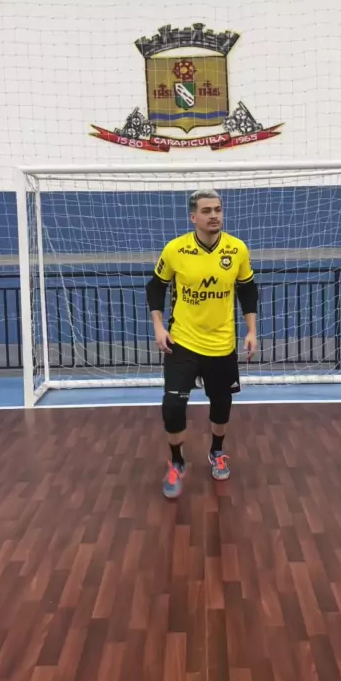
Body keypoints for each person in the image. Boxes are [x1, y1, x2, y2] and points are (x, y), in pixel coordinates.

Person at [145, 188, 259, 498]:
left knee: (221, 406)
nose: (214, 215)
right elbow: (155, 287)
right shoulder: (175, 249)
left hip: (222, 344)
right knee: (172, 405)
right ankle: (177, 461)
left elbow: (247, 290)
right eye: (207, 211)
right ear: (193, 217)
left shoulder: (237, 249)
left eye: (218, 209)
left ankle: (217, 451)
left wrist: (251, 331)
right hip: (182, 341)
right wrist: (158, 327)